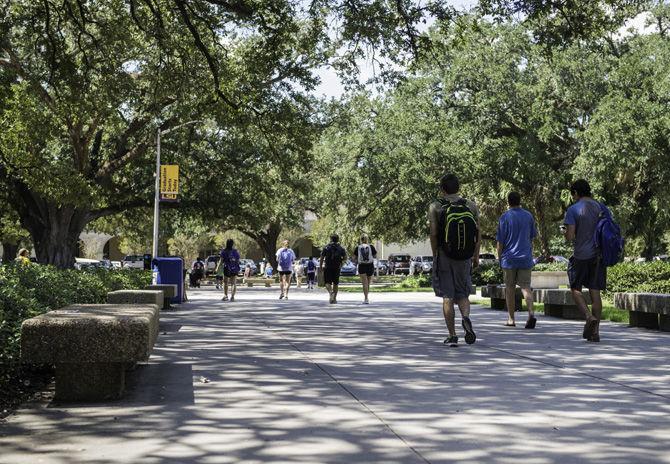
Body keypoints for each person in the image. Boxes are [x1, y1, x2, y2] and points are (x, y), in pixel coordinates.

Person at [429, 173, 480, 347]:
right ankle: (465, 318)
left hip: (445, 255)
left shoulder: (436, 206)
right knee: (463, 294)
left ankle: (452, 335)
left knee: (448, 296)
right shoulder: (470, 205)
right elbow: (477, 233)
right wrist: (475, 255)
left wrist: (435, 254)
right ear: (458, 187)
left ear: (442, 189)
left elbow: (434, 233)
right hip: (465, 256)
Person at [563, 179, 610, 343]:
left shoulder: (573, 209)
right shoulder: (601, 207)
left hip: (581, 255)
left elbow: (570, 236)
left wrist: (565, 231)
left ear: (575, 193)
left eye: (573, 194)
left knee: (575, 289)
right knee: (595, 293)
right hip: (598, 256)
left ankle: (588, 317)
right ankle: (595, 333)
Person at [496, 192, 537, 329]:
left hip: (509, 259)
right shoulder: (528, 216)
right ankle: (531, 313)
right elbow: (532, 238)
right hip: (525, 257)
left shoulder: (505, 217)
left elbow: (500, 242)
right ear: (520, 201)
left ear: (508, 201)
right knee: (526, 287)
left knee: (510, 289)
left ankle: (511, 319)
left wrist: (499, 257)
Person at [320, 234, 347, 304]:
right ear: (338, 239)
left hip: (328, 267)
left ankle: (331, 292)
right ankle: (334, 299)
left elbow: (322, 258)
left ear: (331, 239)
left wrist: (320, 267)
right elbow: (345, 258)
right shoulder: (341, 248)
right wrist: (341, 264)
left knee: (327, 282)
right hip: (337, 267)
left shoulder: (326, 247)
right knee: (336, 283)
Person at [352, 234, 377, 304]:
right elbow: (375, 256)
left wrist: (357, 259)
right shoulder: (371, 246)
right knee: (368, 283)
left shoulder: (358, 247)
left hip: (362, 266)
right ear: (367, 239)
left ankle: (366, 298)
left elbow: (354, 258)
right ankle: (366, 297)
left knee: (364, 283)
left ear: (361, 240)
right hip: (370, 265)